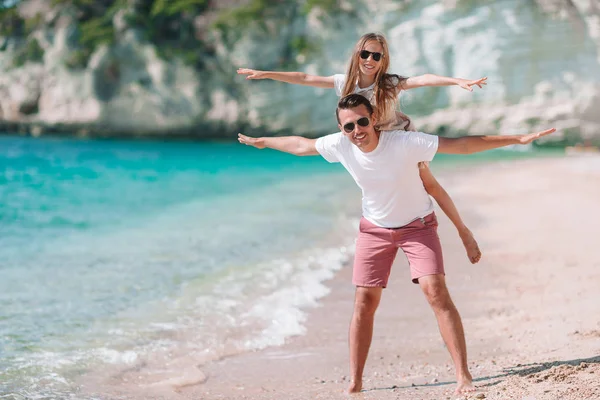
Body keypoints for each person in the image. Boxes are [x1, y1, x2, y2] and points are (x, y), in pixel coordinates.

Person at [238, 93, 556, 395]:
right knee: (364, 301)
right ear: (341, 129)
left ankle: (463, 374)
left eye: (361, 122)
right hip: (374, 231)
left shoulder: (404, 143)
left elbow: (461, 145)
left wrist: (517, 139)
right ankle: (356, 381)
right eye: (348, 126)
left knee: (435, 290)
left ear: (373, 118)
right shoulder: (340, 146)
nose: (356, 130)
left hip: (418, 227)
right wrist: (262, 142)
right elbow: (300, 145)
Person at [238, 32, 486, 264]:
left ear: (383, 60)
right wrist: (266, 74)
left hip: (397, 142)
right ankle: (386, 228)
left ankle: (463, 232)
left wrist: (457, 81)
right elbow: (305, 78)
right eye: (365, 54)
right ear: (357, 55)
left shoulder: (389, 83)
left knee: (430, 185)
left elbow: (423, 79)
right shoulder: (345, 83)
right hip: (367, 144)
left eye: (376, 56)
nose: (370, 60)